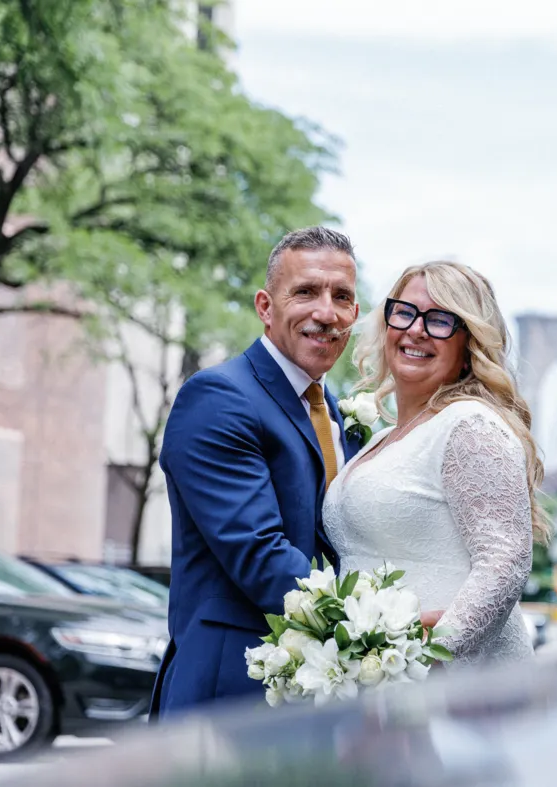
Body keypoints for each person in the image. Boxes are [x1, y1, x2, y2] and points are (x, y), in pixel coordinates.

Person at [150, 227, 364, 717]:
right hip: (231, 695)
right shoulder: (219, 398)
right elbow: (261, 557)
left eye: (343, 297)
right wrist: (377, 626)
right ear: (266, 306)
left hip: (319, 698)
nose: (326, 312)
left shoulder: (341, 416)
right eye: (306, 292)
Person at [323, 260, 549, 666]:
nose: (416, 329)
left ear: (470, 343)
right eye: (405, 312)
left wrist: (429, 655)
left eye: (441, 320)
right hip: (383, 684)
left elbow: (506, 561)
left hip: (454, 687)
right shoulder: (381, 439)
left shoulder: (470, 424)